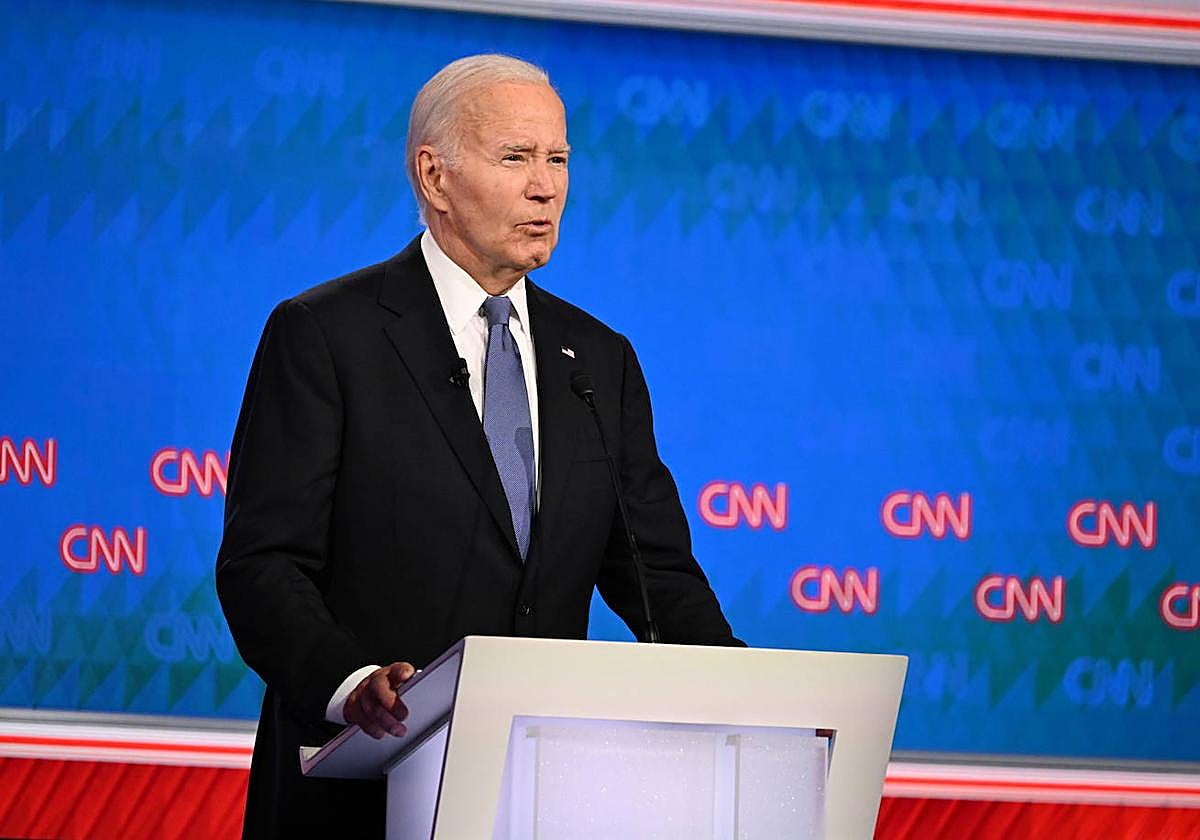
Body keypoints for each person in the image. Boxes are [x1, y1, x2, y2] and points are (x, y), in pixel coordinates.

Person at [216, 53, 740, 838]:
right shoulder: (327, 336)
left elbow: (656, 575)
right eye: (516, 158)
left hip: (535, 797)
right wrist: (352, 684)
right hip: (360, 793)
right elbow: (264, 565)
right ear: (435, 178)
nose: (547, 185)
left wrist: (757, 699)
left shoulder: (598, 359)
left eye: (558, 158)